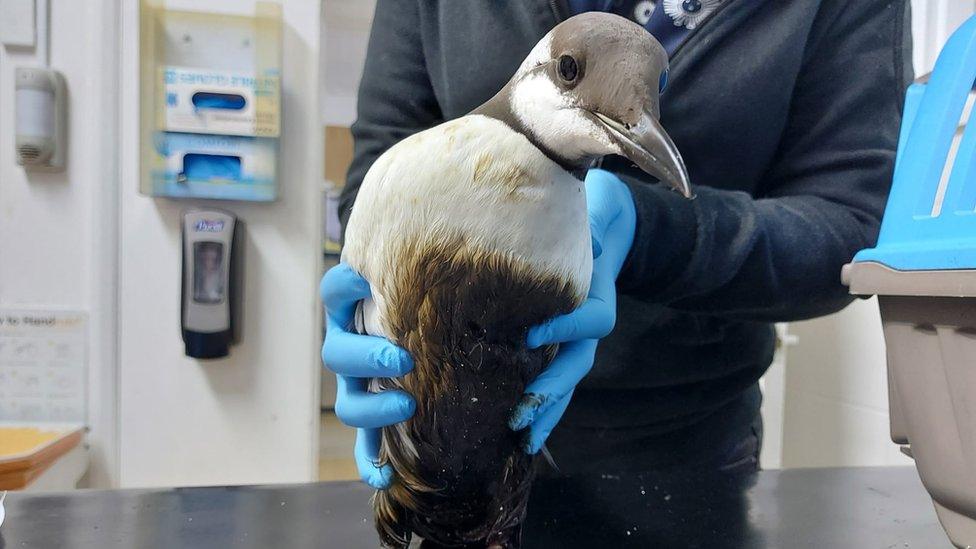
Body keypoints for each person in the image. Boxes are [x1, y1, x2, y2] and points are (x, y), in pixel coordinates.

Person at [322, 0, 911, 500]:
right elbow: (381, 160)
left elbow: (850, 227)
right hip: (441, 411)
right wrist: (378, 295)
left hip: (686, 443)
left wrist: (653, 228)